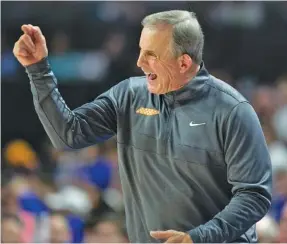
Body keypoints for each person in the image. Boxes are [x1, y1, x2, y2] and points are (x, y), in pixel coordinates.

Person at [13, 10, 272, 243]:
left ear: (183, 63)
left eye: (150, 54)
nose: (139, 62)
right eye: (140, 50)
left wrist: (198, 238)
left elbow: (254, 196)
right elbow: (67, 135)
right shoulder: (129, 95)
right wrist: (38, 71)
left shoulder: (233, 111)